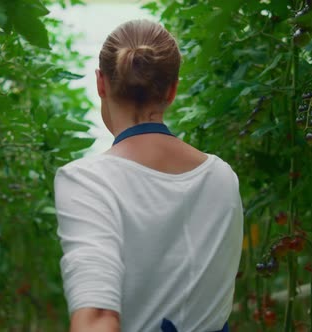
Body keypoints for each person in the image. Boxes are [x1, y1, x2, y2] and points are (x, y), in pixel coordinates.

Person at [54, 19, 244, 332]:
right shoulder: (223, 177)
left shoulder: (87, 181)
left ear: (101, 83)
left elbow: (98, 318)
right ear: (172, 90)